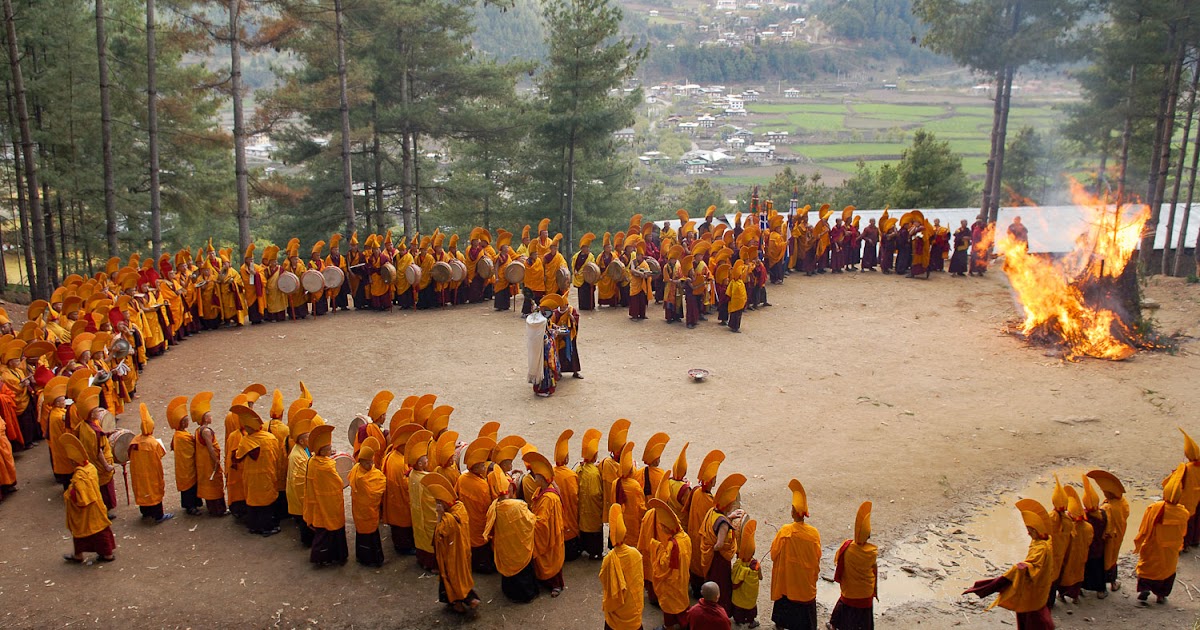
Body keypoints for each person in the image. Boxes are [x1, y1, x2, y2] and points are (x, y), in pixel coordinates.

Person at [964, 501, 1056, 630]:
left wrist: (1020, 568)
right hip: (1040, 587)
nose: (1028, 533)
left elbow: (1034, 566)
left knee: (1034, 617)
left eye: (1030, 530)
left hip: (1033, 589)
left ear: (1037, 530)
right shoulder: (1045, 540)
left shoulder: (1041, 548)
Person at [423, 471, 482, 615]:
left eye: (438, 502)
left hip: (451, 557)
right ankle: (464, 601)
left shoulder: (448, 520)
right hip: (463, 551)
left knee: (453, 580)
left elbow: (438, 534)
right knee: (462, 577)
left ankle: (463, 602)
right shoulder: (460, 507)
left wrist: (439, 515)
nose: (437, 504)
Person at [1134, 466, 1189, 604]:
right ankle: (1161, 595)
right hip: (1171, 548)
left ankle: (1144, 588)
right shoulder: (1183, 513)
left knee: (1147, 567)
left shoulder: (1154, 508)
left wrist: (1140, 540)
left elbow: (1144, 527)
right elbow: (1183, 531)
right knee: (1167, 570)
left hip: (1153, 545)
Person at [770, 479, 821, 630]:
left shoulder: (785, 531)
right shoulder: (814, 533)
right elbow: (817, 556)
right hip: (805, 583)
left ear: (793, 512)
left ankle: (781, 624)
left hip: (788, 581)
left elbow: (773, 554)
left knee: (785, 599)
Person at [485, 466, 540, 603]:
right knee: (523, 572)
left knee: (510, 573)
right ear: (509, 489)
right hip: (520, 547)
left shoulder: (493, 506)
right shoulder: (518, 506)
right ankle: (527, 594)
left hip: (505, 547)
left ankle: (510, 592)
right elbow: (531, 521)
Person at [58, 433, 116, 563]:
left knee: (80, 533)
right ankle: (107, 554)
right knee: (101, 531)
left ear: (74, 461)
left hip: (86, 511)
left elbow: (80, 498)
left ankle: (81, 555)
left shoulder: (80, 476)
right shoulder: (91, 467)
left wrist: (68, 493)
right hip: (97, 506)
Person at [232, 403, 281, 536]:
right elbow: (277, 455)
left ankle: (253, 526)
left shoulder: (245, 442)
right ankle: (267, 528)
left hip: (251, 477)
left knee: (253, 501)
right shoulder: (269, 438)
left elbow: (237, 457)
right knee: (266, 502)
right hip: (266, 474)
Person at [701, 473, 747, 615]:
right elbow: (720, 544)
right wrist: (715, 549)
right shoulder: (724, 524)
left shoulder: (712, 512)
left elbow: (717, 521)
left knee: (713, 580)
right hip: (719, 559)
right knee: (722, 585)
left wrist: (729, 517)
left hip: (712, 557)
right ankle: (721, 610)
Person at [304, 424, 348, 567]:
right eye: (328, 448)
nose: (331, 450)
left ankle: (323, 557)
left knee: (323, 530)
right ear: (322, 451)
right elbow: (338, 482)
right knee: (331, 530)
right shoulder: (326, 466)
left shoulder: (312, 461)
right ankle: (330, 556)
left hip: (318, 502)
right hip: (330, 504)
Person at [525, 451, 566, 596]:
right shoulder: (539, 490)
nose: (534, 478)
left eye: (536, 476)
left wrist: (528, 518)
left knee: (551, 559)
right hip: (541, 534)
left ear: (542, 479)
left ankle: (556, 585)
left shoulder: (549, 498)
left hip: (549, 536)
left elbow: (542, 522)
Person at [647, 496, 692, 630]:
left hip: (672, 580)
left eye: (663, 527)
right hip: (683, 577)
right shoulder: (685, 536)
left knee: (671, 603)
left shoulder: (673, 544)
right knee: (681, 601)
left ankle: (669, 626)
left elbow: (664, 563)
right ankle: (684, 623)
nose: (661, 528)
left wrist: (657, 547)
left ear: (669, 528)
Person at [830, 502, 876, 630]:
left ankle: (834, 625)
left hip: (849, 594)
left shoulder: (847, 547)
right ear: (868, 535)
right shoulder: (872, 552)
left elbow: (838, 563)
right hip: (866, 596)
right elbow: (874, 572)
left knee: (842, 605)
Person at [599, 503, 644, 630]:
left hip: (616, 615)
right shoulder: (635, 554)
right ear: (625, 534)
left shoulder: (609, 559)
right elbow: (639, 580)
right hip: (632, 610)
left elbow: (605, 581)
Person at [128, 404, 172, 523]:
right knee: (154, 491)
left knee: (142, 490)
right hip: (151, 472)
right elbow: (161, 453)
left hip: (138, 473)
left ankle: (145, 512)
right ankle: (158, 515)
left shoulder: (135, 440)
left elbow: (129, 454)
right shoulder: (153, 443)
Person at [1087, 469, 1129, 594]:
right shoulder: (1123, 502)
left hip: (1108, 539)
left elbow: (1104, 522)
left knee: (1104, 560)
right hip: (1118, 537)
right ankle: (1113, 583)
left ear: (1110, 494)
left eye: (1105, 492)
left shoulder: (1107, 508)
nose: (1104, 494)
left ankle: (1101, 590)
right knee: (1113, 559)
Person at [350, 437, 387, 567]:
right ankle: (371, 559)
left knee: (365, 535)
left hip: (363, 512)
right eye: (367, 463)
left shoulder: (357, 469)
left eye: (371, 462)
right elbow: (375, 491)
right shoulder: (360, 476)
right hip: (365, 512)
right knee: (368, 536)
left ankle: (363, 557)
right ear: (361, 462)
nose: (370, 465)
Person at [288, 409, 320, 547]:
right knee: (305, 520)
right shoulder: (298, 457)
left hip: (302, 493)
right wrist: (307, 502)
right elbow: (299, 484)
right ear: (301, 440)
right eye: (308, 436)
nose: (311, 439)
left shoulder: (304, 449)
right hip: (300, 496)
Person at [1057, 487, 1092, 604]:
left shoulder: (1070, 528)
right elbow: (1089, 541)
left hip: (1068, 558)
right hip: (1081, 558)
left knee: (1065, 576)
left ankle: (1062, 596)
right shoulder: (1088, 527)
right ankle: (1075, 598)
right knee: (1078, 576)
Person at [168, 395, 202, 516]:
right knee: (189, 486)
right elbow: (191, 448)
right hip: (186, 466)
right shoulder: (182, 437)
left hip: (183, 466)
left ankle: (193, 504)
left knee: (190, 485)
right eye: (186, 420)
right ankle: (190, 507)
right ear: (182, 423)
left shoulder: (179, 434)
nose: (188, 421)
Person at [552, 430, 582, 561]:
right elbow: (575, 496)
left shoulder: (551, 471)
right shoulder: (570, 475)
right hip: (569, 510)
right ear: (566, 458)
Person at [576, 428, 605, 560]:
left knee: (584, 529)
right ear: (594, 456)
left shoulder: (579, 468)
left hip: (582, 508)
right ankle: (595, 553)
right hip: (593, 510)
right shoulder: (594, 473)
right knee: (594, 533)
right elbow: (595, 493)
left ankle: (584, 548)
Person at [1080, 474, 1108, 598]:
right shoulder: (1103, 514)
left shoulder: (1083, 517)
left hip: (1086, 549)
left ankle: (1080, 588)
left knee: (1084, 569)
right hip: (1099, 549)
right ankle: (1101, 590)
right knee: (1098, 570)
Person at [731, 519, 762, 628]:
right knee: (750, 608)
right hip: (750, 596)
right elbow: (761, 577)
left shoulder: (738, 564)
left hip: (738, 597)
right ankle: (751, 622)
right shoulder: (756, 565)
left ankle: (738, 620)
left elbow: (733, 577)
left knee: (738, 606)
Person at [548, 294, 582, 380]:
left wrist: (571, 317)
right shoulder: (555, 312)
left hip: (570, 335)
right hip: (559, 337)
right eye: (561, 306)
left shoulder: (571, 310)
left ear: (567, 305)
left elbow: (576, 320)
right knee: (559, 354)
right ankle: (558, 372)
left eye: (564, 306)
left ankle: (575, 371)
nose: (562, 308)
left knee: (572, 353)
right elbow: (551, 323)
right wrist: (557, 328)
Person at [573, 232, 597, 310]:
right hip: (580, 277)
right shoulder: (576, 256)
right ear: (583, 248)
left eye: (588, 248)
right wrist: (575, 271)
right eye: (586, 248)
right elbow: (574, 265)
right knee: (582, 293)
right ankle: (582, 306)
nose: (588, 249)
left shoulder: (591, 256)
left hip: (588, 277)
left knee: (588, 292)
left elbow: (593, 265)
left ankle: (590, 306)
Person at [726, 261, 747, 334]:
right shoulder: (733, 283)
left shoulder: (740, 282)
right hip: (734, 302)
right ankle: (734, 327)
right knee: (735, 315)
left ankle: (734, 326)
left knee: (737, 315)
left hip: (740, 302)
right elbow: (729, 292)